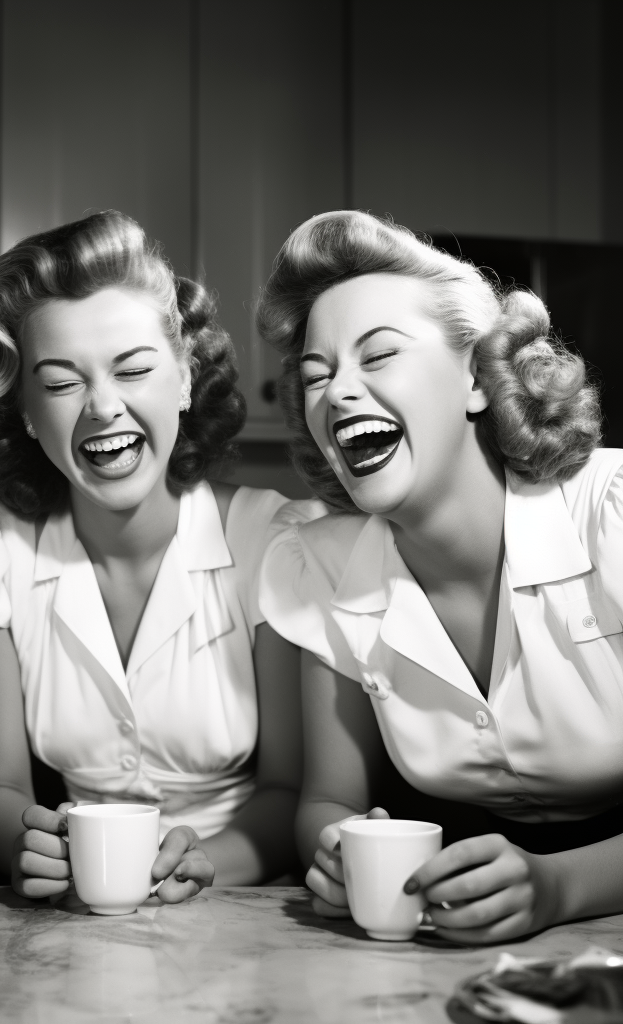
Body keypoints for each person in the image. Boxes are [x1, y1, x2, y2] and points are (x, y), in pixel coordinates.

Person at [0, 211, 316, 902]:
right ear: (27, 414)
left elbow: (287, 793)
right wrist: (29, 844)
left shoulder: (271, 543)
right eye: (62, 382)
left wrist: (206, 863)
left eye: (133, 369)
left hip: (241, 914)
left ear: (185, 381)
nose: (103, 407)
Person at [257, 209, 623, 944]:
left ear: (479, 378)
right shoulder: (316, 565)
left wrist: (558, 886)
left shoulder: (611, 516)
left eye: (379, 354)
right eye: (316, 375)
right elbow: (328, 798)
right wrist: (334, 853)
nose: (336, 393)